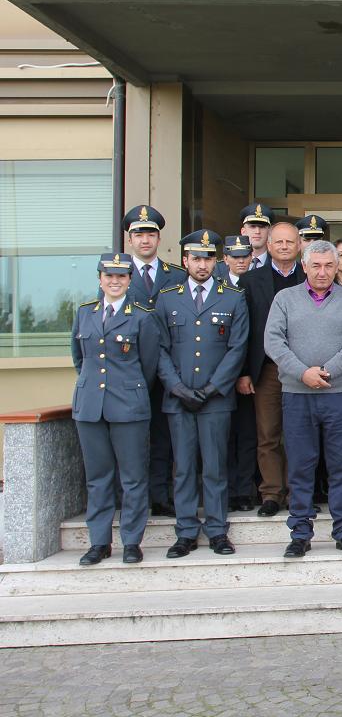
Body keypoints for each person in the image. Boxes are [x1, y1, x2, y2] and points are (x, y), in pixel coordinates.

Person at [264, 239, 342, 558]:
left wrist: (325, 371)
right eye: (316, 265)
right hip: (297, 394)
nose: (322, 272)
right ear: (305, 266)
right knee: (300, 465)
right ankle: (300, 532)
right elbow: (273, 341)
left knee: (341, 465)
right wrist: (302, 373)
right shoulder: (285, 299)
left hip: (338, 394)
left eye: (328, 265)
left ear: (337, 267)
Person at [155, 229, 249, 558]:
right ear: (185, 260)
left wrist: (212, 388)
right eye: (196, 257)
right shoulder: (167, 298)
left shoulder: (232, 298)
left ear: (216, 261)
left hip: (216, 399)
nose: (202, 264)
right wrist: (177, 387)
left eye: (208, 257)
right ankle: (185, 532)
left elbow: (237, 349)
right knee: (182, 468)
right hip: (178, 399)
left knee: (215, 467)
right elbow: (160, 350)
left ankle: (217, 530)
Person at [71, 253, 163, 566]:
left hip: (128, 406)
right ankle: (99, 542)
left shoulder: (141, 316)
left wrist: (127, 389)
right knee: (97, 478)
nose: (114, 281)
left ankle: (131, 542)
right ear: (100, 279)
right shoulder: (85, 313)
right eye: (109, 276)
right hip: (90, 408)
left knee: (133, 477)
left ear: (128, 281)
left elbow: (148, 365)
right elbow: (80, 359)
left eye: (121, 277)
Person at [237, 221, 304, 518]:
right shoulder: (251, 281)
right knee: (269, 433)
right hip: (267, 369)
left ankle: (298, 493)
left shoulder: (312, 275)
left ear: (299, 245)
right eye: (279, 242)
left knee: (300, 435)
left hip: (305, 370)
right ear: (268, 245)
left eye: (290, 242)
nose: (285, 247)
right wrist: (243, 371)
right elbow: (244, 331)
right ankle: (272, 494)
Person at [121, 204, 185, 516]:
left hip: (169, 371)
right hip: (129, 370)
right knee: (131, 438)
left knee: (164, 437)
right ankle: (133, 499)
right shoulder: (119, 275)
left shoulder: (176, 274)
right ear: (128, 239)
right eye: (138, 234)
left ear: (159, 238)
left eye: (150, 233)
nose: (144, 239)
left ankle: (160, 495)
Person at [220, 235, 257, 512]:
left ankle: (244, 490)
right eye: (235, 256)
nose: (240, 260)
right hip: (217, 376)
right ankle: (227, 490)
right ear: (225, 259)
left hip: (247, 372)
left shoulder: (255, 284)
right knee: (224, 436)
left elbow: (251, 336)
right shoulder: (217, 288)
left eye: (245, 256)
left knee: (247, 434)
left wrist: (244, 372)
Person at [239, 202, 273, 271]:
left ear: (269, 232)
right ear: (243, 231)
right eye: (252, 226)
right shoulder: (225, 266)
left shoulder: (279, 264)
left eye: (262, 227)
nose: (257, 231)